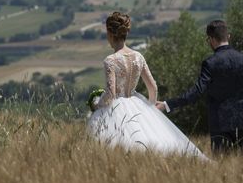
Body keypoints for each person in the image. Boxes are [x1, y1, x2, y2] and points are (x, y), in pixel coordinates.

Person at [87, 12, 205, 158]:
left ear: (110, 34)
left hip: (115, 109)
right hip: (137, 103)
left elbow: (111, 93)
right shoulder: (138, 56)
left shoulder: (110, 60)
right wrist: (150, 109)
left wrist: (98, 105)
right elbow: (153, 87)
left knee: (114, 150)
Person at [156, 20, 243, 153]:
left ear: (211, 39)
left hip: (220, 124)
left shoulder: (210, 63)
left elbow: (196, 92)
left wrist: (167, 104)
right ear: (228, 36)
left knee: (222, 168)